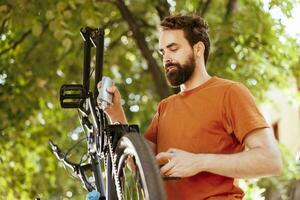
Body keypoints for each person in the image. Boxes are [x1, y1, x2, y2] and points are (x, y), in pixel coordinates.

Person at [100, 15, 282, 200]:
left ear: (198, 49)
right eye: (163, 52)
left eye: (173, 49)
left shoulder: (230, 92)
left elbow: (270, 161)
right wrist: (116, 115)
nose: (166, 58)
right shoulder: (165, 107)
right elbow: (141, 165)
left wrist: (200, 162)